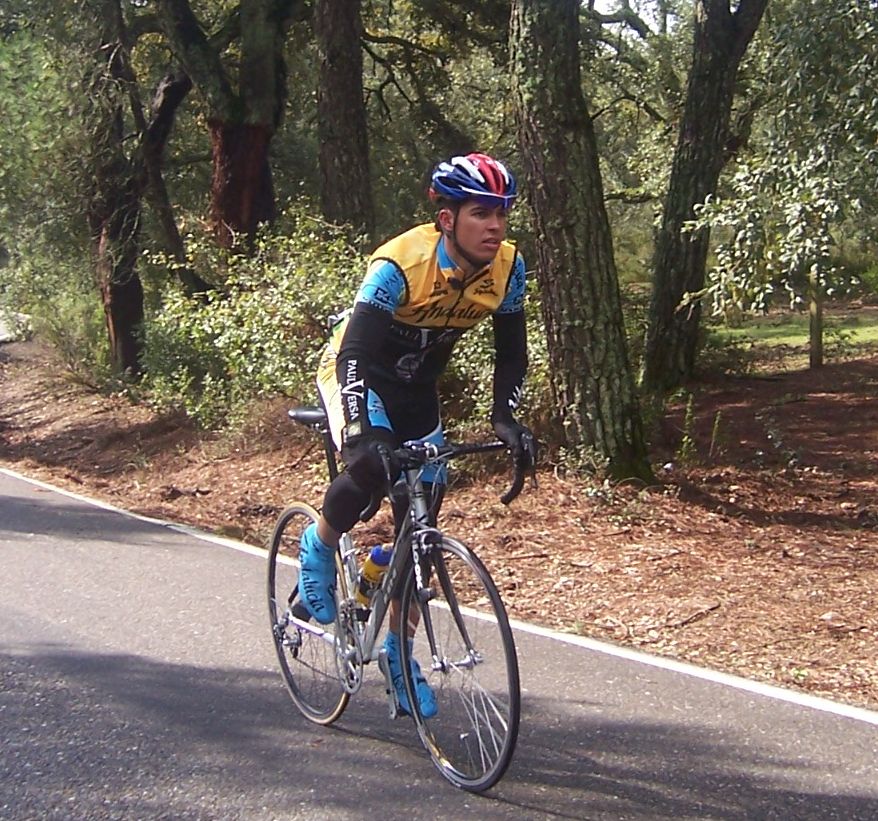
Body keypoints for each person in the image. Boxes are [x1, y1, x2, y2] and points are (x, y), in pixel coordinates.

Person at [299, 152, 535, 717]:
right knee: (369, 470)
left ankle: (399, 656)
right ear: (447, 219)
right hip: (358, 374)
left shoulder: (508, 268)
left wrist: (505, 418)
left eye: (502, 213)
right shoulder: (399, 265)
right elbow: (355, 353)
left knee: (421, 527)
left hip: (416, 388)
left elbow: (512, 353)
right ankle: (320, 543)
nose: (496, 226)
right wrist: (360, 432)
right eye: (482, 213)